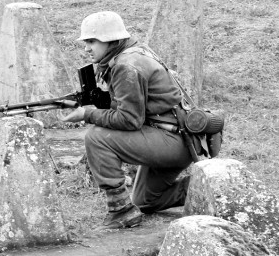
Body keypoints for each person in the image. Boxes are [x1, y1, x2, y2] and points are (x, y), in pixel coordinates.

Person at [62, 11, 193, 229]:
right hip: (175, 136)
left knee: (97, 138)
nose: (87, 48)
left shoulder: (126, 65)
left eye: (92, 41)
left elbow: (130, 119)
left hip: (173, 140)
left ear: (110, 40)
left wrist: (87, 114)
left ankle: (121, 210)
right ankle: (204, 188)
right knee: (146, 201)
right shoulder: (132, 52)